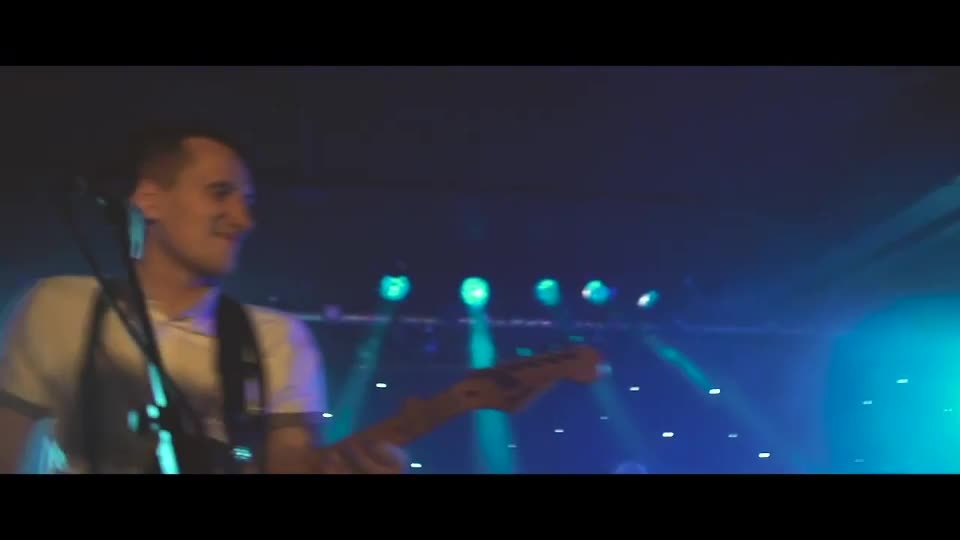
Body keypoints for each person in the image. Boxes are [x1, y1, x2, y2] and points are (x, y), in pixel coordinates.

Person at [0, 125, 407, 474]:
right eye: (220, 193)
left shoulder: (279, 338)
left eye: (248, 203)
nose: (243, 220)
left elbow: (291, 460)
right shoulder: (57, 306)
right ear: (150, 200)